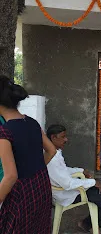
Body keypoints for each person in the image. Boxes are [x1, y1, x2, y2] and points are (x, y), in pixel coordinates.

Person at [0, 75, 56, 233]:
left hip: (21, 193)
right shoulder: (32, 122)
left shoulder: (4, 132)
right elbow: (51, 150)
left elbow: (10, 176)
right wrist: (34, 170)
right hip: (41, 185)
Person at [46, 124, 101, 233]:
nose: (66, 139)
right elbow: (68, 184)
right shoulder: (53, 159)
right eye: (63, 137)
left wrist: (80, 170)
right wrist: (92, 182)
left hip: (66, 189)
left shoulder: (53, 153)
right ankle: (86, 223)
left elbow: (64, 170)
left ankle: (95, 224)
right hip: (66, 194)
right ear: (53, 137)